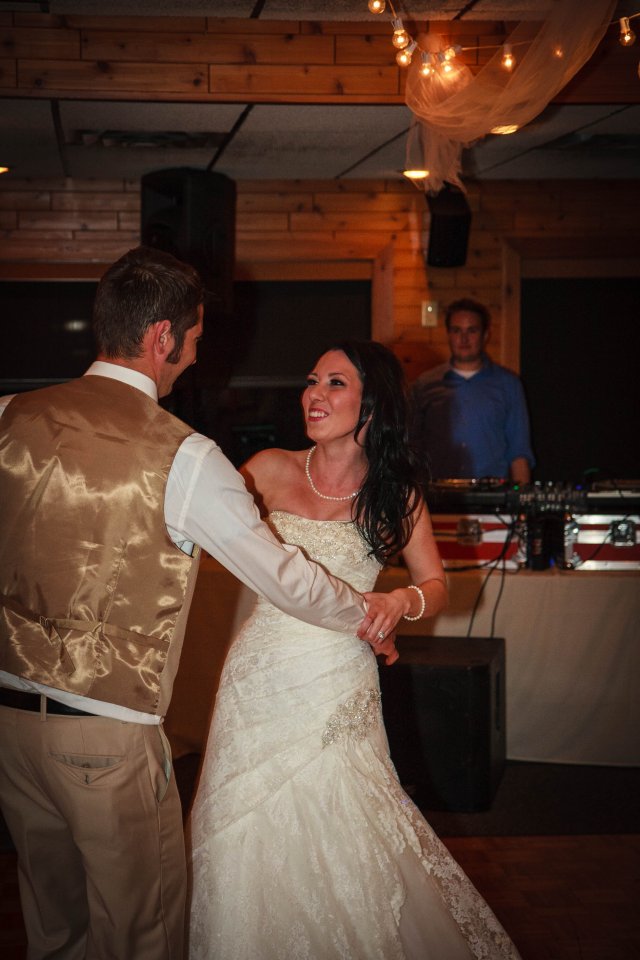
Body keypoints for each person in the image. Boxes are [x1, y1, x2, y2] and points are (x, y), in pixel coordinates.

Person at [0, 247, 401, 960]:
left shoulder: (8, 415)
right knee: (142, 935)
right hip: (107, 738)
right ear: (161, 339)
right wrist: (364, 614)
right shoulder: (183, 456)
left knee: (53, 932)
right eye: (193, 339)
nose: (194, 354)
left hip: (10, 728)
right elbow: (283, 576)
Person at [187, 340, 521, 960]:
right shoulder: (264, 469)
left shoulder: (397, 494)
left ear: (372, 405)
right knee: (241, 833)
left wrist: (399, 603)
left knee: (347, 825)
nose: (314, 394)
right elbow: (201, 528)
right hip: (257, 679)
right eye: (312, 380)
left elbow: (437, 587)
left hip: (337, 681)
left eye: (334, 384)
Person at [410, 298, 534, 483]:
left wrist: (522, 503)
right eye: (456, 330)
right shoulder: (425, 384)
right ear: (448, 334)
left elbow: (519, 451)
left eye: (472, 331)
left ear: (486, 335)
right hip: (438, 496)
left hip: (492, 498)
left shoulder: (508, 385)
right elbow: (410, 447)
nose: (464, 338)